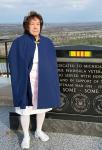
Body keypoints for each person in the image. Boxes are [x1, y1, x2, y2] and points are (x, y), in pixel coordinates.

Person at [8, 11, 61, 149]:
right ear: (26, 26)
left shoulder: (47, 42)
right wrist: (19, 77)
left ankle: (38, 131)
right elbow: (13, 63)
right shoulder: (19, 42)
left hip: (42, 80)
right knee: (25, 109)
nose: (35, 26)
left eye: (38, 24)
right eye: (32, 24)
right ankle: (26, 135)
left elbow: (51, 64)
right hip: (26, 81)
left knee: (41, 107)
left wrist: (51, 80)